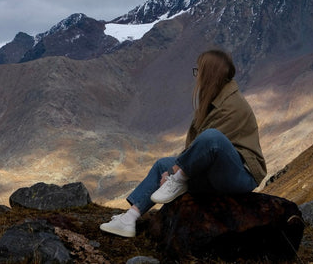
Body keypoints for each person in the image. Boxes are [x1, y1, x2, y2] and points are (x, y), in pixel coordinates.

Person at [100, 49, 267, 237]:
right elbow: (197, 152)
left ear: (210, 74)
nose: (197, 76)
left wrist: (176, 173)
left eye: (199, 71)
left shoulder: (232, 106)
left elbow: (209, 146)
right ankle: (129, 219)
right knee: (162, 164)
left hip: (240, 176)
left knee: (212, 137)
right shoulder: (214, 99)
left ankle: (178, 181)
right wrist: (172, 170)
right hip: (218, 173)